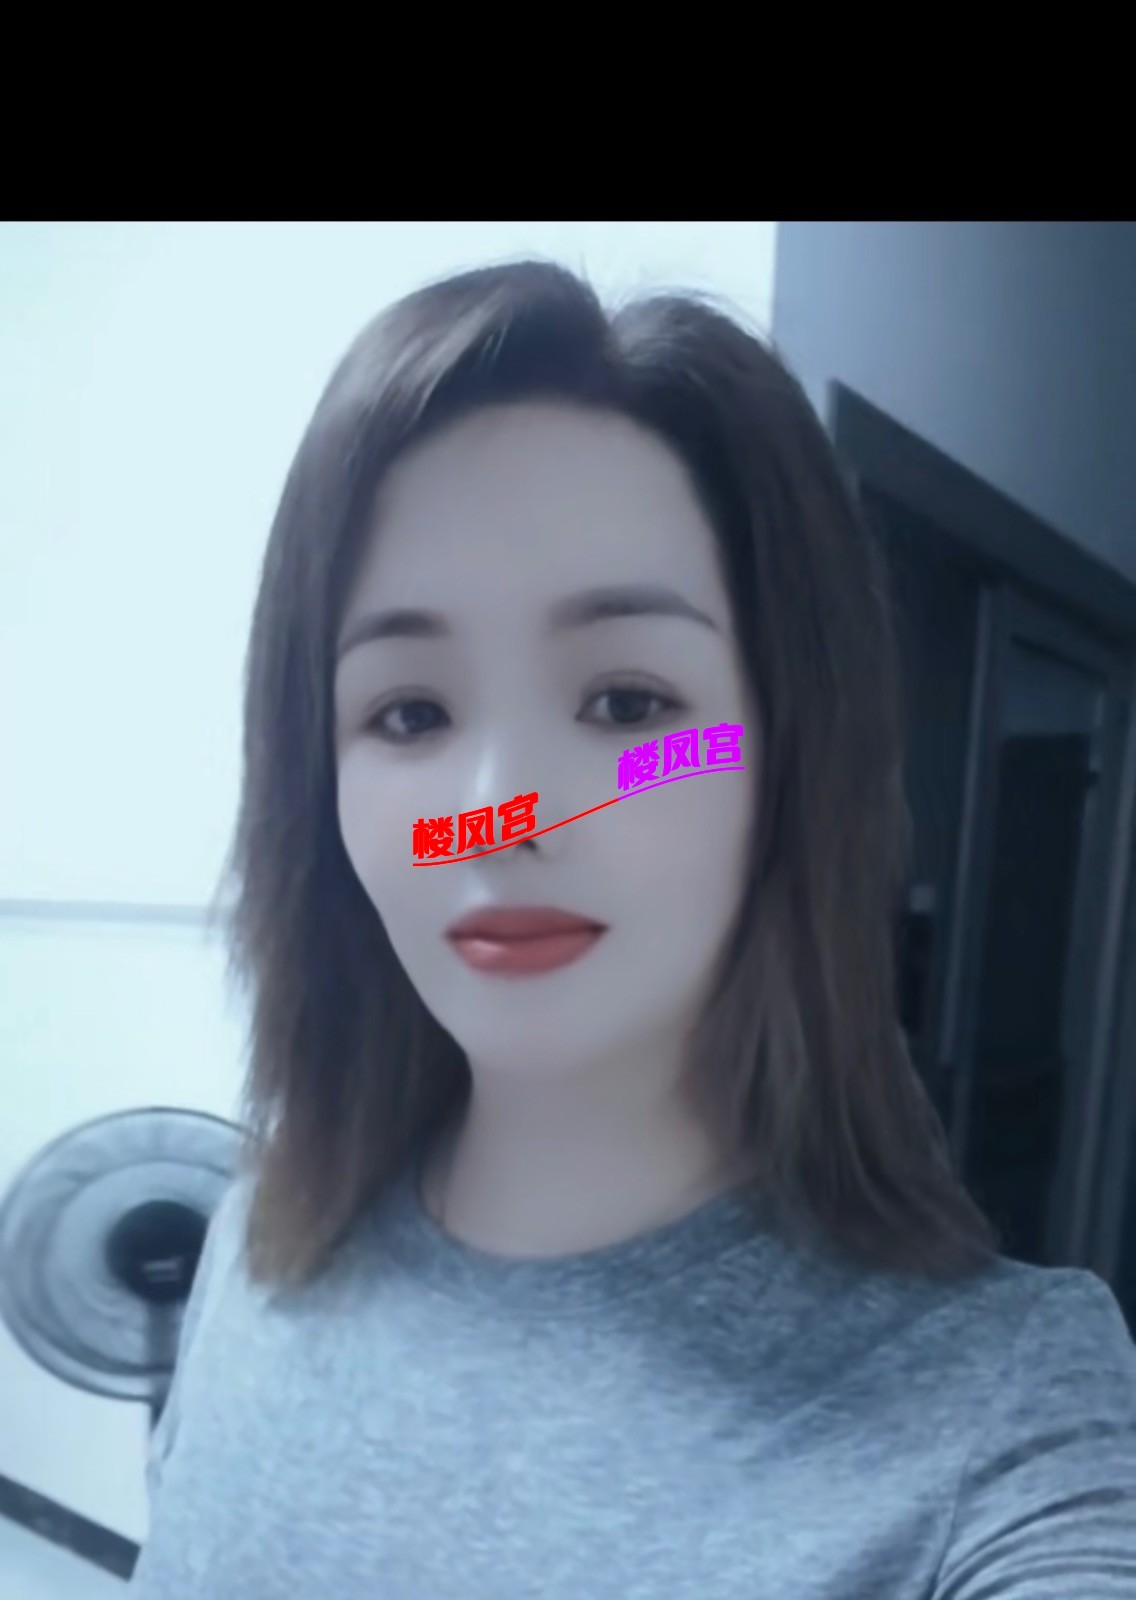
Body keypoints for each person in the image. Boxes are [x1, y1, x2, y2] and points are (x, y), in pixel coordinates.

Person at [128, 260, 1136, 1598]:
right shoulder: (255, 1250)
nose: (500, 819)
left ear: (785, 754)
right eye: (410, 714)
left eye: (627, 705)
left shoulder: (1005, 1419)